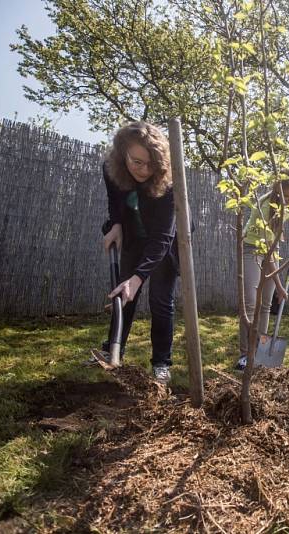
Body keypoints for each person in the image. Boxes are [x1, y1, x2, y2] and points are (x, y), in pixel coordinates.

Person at [96, 121, 179, 383]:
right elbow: (115, 203)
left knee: (160, 300)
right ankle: (113, 349)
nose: (145, 169)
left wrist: (138, 277)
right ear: (123, 155)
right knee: (124, 296)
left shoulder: (168, 182)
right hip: (134, 237)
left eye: (151, 163)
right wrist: (116, 225)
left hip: (164, 243)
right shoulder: (112, 171)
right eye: (137, 162)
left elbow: (163, 237)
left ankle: (161, 363)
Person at [236, 169, 289, 370]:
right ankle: (245, 354)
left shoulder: (287, 205)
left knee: (265, 305)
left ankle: (260, 353)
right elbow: (265, 252)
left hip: (270, 251)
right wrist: (280, 287)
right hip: (252, 250)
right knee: (250, 303)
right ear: (278, 189)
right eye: (287, 195)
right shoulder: (267, 206)